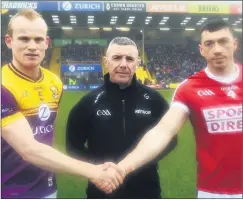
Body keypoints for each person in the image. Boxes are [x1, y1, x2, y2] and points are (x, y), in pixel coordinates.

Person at [1, 9, 124, 199]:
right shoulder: (3, 85)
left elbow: (47, 135)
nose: (32, 46)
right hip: (10, 190)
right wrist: (93, 171)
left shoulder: (54, 82)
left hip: (48, 187)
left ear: (47, 43)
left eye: (38, 39)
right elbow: (29, 150)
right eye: (24, 39)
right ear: (9, 41)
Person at [117, 19, 242, 198]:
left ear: (234, 44)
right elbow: (162, 132)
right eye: (209, 43)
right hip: (213, 192)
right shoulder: (189, 88)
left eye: (223, 41)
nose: (217, 49)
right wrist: (124, 166)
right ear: (201, 50)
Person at [66, 37, 177, 199]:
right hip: (102, 191)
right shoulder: (88, 103)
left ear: (137, 63)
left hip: (147, 190)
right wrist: (98, 169)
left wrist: (144, 162)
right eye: (117, 58)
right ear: (106, 61)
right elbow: (73, 147)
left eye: (130, 59)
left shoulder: (154, 100)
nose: (123, 64)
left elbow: (170, 139)